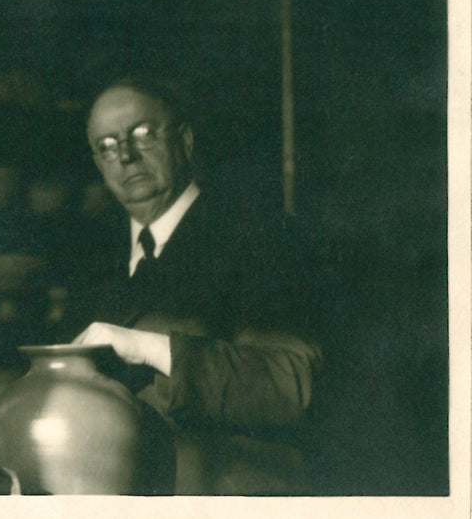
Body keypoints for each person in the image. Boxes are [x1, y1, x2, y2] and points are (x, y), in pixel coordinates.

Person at [70, 77, 325, 495]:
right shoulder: (94, 265)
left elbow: (291, 383)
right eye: (108, 146)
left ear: (185, 141)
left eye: (142, 134)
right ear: (99, 164)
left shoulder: (263, 237)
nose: (127, 157)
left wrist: (146, 346)